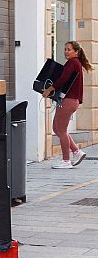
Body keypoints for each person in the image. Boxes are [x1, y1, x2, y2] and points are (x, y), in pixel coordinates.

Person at [42, 40, 93, 169]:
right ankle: (76, 151)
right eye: (65, 49)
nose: (66, 51)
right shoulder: (75, 63)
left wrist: (49, 89)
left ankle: (66, 161)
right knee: (56, 128)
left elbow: (63, 79)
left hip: (69, 100)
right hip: (70, 100)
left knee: (61, 130)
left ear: (76, 52)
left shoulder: (73, 63)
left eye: (69, 49)